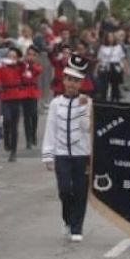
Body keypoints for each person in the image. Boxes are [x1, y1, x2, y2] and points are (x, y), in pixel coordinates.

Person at [41, 54, 92, 243]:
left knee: (80, 191)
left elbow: (88, 129)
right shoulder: (56, 103)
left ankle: (77, 227)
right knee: (64, 190)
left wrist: (83, 110)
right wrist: (48, 154)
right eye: (69, 79)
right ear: (64, 80)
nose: (72, 84)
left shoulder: (88, 102)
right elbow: (51, 128)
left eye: (76, 81)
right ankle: (67, 219)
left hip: (82, 154)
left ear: (81, 83)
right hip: (62, 154)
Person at [0, 47, 41, 159]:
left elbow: (28, 67)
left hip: (16, 96)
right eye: (9, 56)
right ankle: (6, 138)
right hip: (6, 96)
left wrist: (19, 61)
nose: (11, 59)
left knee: (14, 125)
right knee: (6, 120)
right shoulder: (2, 68)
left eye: (14, 57)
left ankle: (13, 152)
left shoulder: (20, 67)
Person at [95, 32, 126, 102]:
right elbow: (99, 59)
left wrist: (125, 69)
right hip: (105, 66)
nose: (110, 38)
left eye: (112, 37)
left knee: (115, 85)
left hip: (115, 66)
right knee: (104, 84)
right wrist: (96, 69)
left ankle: (115, 99)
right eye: (109, 37)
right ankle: (103, 100)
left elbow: (122, 58)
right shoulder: (102, 48)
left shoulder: (118, 47)